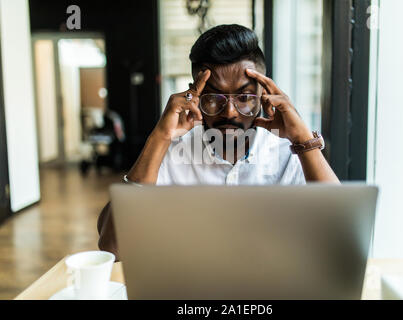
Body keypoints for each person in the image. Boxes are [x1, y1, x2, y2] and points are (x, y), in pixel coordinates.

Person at [97, 24, 339, 258]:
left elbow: (340, 238)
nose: (230, 112)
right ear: (196, 96)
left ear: (264, 97)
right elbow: (113, 247)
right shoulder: (173, 152)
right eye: (214, 97)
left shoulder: (290, 152)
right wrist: (159, 137)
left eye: (244, 96)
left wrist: (303, 140)